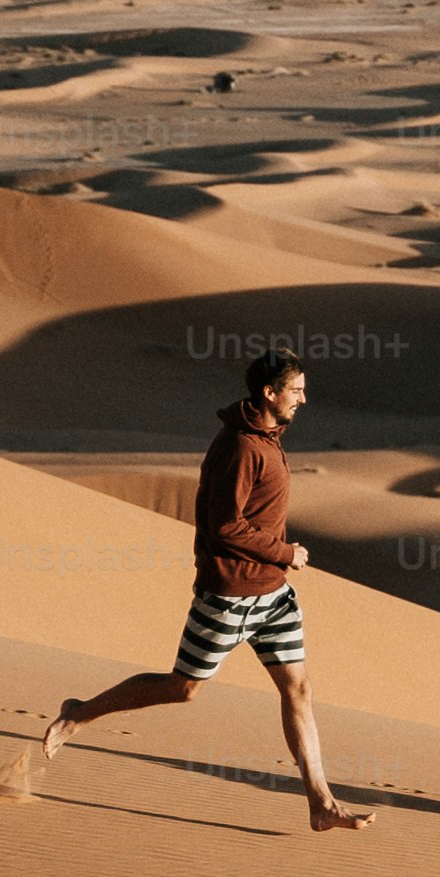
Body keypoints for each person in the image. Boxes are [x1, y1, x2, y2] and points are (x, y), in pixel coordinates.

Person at [37, 350, 370, 832]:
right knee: (184, 688)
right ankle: (78, 714)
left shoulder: (267, 438)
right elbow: (224, 528)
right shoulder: (241, 447)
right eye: (296, 390)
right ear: (270, 393)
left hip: (272, 597)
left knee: (298, 689)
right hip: (231, 593)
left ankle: (321, 802)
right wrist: (284, 553)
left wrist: (277, 565)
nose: (304, 398)